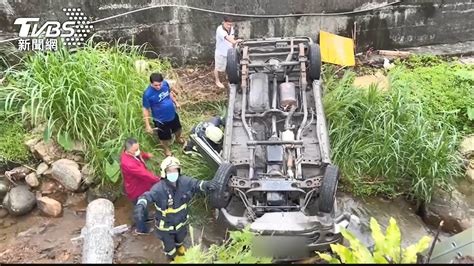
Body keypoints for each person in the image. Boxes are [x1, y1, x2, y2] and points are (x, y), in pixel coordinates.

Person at [133, 156, 218, 261]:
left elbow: (196, 184)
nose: (173, 173)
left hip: (181, 222)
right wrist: (141, 205)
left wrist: (206, 185)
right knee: (169, 245)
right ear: (164, 172)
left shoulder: (184, 182)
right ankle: (172, 257)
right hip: (165, 226)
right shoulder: (158, 189)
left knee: (181, 237)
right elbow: (147, 196)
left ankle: (179, 246)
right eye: (169, 171)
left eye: (175, 170)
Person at [120, 137, 161, 235]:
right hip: (136, 190)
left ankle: (146, 219)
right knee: (139, 209)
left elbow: (139, 154)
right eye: (135, 150)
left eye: (138, 148)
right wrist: (159, 180)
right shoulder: (129, 164)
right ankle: (141, 229)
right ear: (129, 151)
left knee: (144, 205)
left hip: (141, 185)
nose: (138, 151)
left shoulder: (130, 152)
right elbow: (144, 174)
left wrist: (146, 155)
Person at [143, 73, 185, 157]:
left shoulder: (165, 84)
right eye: (156, 85)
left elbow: (169, 94)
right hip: (160, 120)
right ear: (151, 83)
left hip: (172, 114)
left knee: (178, 129)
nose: (158, 87)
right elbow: (145, 109)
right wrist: (147, 125)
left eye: (160, 84)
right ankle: (166, 150)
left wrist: (176, 102)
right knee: (164, 137)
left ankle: (178, 139)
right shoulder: (147, 94)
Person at [214, 16, 242, 89]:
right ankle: (217, 81)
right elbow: (229, 39)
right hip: (221, 52)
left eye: (230, 24)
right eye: (228, 24)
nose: (229, 26)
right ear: (223, 23)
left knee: (229, 65)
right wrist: (236, 41)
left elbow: (232, 38)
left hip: (229, 51)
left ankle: (228, 76)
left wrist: (233, 46)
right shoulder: (220, 30)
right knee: (218, 68)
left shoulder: (231, 28)